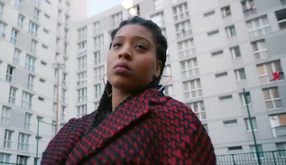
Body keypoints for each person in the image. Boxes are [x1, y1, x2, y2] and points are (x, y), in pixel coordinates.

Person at [41, 16, 216, 164]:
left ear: (157, 68)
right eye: (117, 45)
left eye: (140, 46)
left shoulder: (176, 117)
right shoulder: (74, 126)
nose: (124, 52)